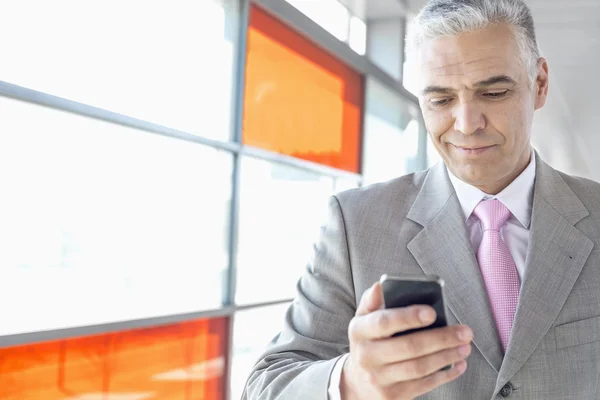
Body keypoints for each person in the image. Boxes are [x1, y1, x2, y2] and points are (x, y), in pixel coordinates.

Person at [242, 0, 600, 398]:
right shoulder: (355, 224)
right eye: (441, 100)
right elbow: (266, 386)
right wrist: (351, 381)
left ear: (540, 84)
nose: (466, 124)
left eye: (494, 92)